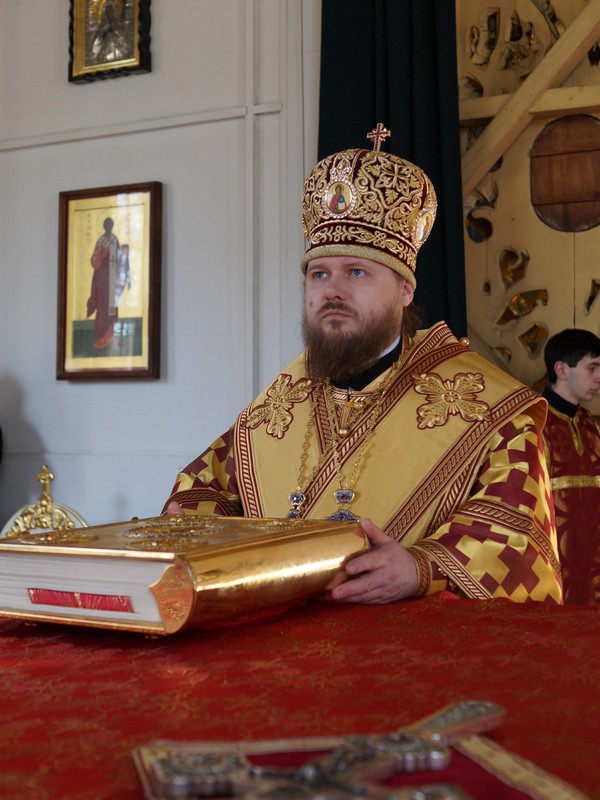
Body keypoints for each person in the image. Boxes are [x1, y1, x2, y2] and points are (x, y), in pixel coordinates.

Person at [163, 125, 562, 605]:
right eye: (319, 274)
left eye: (357, 272)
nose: (332, 291)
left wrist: (422, 567)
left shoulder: (490, 410)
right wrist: (214, 542)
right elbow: (202, 493)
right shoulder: (277, 404)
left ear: (405, 290)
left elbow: (517, 538)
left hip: (405, 642)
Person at [541, 328, 600, 604]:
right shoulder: (533, 421)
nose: (599, 377)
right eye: (592, 368)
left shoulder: (590, 424)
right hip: (553, 555)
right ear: (562, 370)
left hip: (593, 553)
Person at [86, 217, 131, 350]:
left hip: (112, 277)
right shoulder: (100, 241)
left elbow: (119, 257)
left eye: (111, 225)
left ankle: (111, 336)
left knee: (112, 304)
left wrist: (123, 252)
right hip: (101, 277)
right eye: (108, 225)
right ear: (105, 226)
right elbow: (94, 259)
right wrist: (101, 255)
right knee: (102, 303)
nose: (109, 227)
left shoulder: (114, 239)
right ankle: (100, 336)